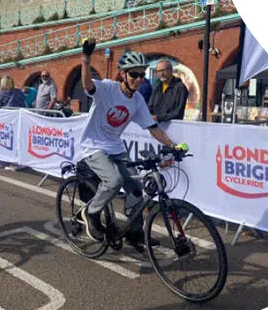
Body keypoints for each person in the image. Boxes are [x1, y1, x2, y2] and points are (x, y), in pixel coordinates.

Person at [78, 39, 189, 253]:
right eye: (134, 75)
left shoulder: (137, 100)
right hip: (94, 145)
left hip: (116, 147)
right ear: (123, 74)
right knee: (114, 180)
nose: (139, 79)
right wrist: (85, 58)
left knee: (136, 189)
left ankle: (134, 232)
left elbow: (153, 127)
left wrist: (173, 146)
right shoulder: (108, 89)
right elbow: (87, 85)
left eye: (142, 75)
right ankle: (91, 213)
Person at [148, 59, 189, 123]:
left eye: (163, 70)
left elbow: (178, 112)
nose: (161, 73)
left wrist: (158, 118)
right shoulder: (157, 88)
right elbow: (150, 107)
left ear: (171, 70)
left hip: (173, 127)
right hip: (157, 126)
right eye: (158, 71)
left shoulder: (180, 87)